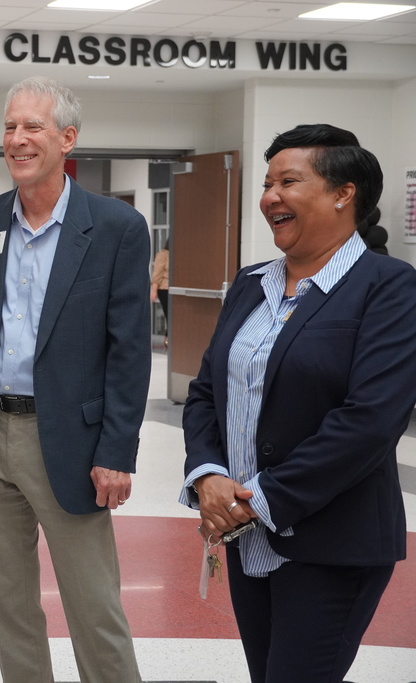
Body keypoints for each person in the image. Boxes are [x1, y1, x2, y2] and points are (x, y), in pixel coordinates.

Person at [0, 76, 150, 683]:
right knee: (8, 607)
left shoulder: (114, 228)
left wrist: (116, 451)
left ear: (67, 138)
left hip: (71, 444)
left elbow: (129, 353)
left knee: (94, 606)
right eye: (9, 126)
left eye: (33, 126)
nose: (17, 139)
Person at [180, 123, 416, 682]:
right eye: (267, 184)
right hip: (245, 538)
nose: (269, 197)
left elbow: (369, 422)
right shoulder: (251, 284)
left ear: (343, 193)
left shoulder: (389, 288)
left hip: (333, 541)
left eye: (288, 181)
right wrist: (209, 475)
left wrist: (256, 500)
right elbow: (206, 392)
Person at [150, 239, 169, 345]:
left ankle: (168, 338)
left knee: (172, 316)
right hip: (164, 288)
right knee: (169, 315)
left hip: (172, 289)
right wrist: (154, 289)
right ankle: (167, 339)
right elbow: (157, 272)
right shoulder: (163, 254)